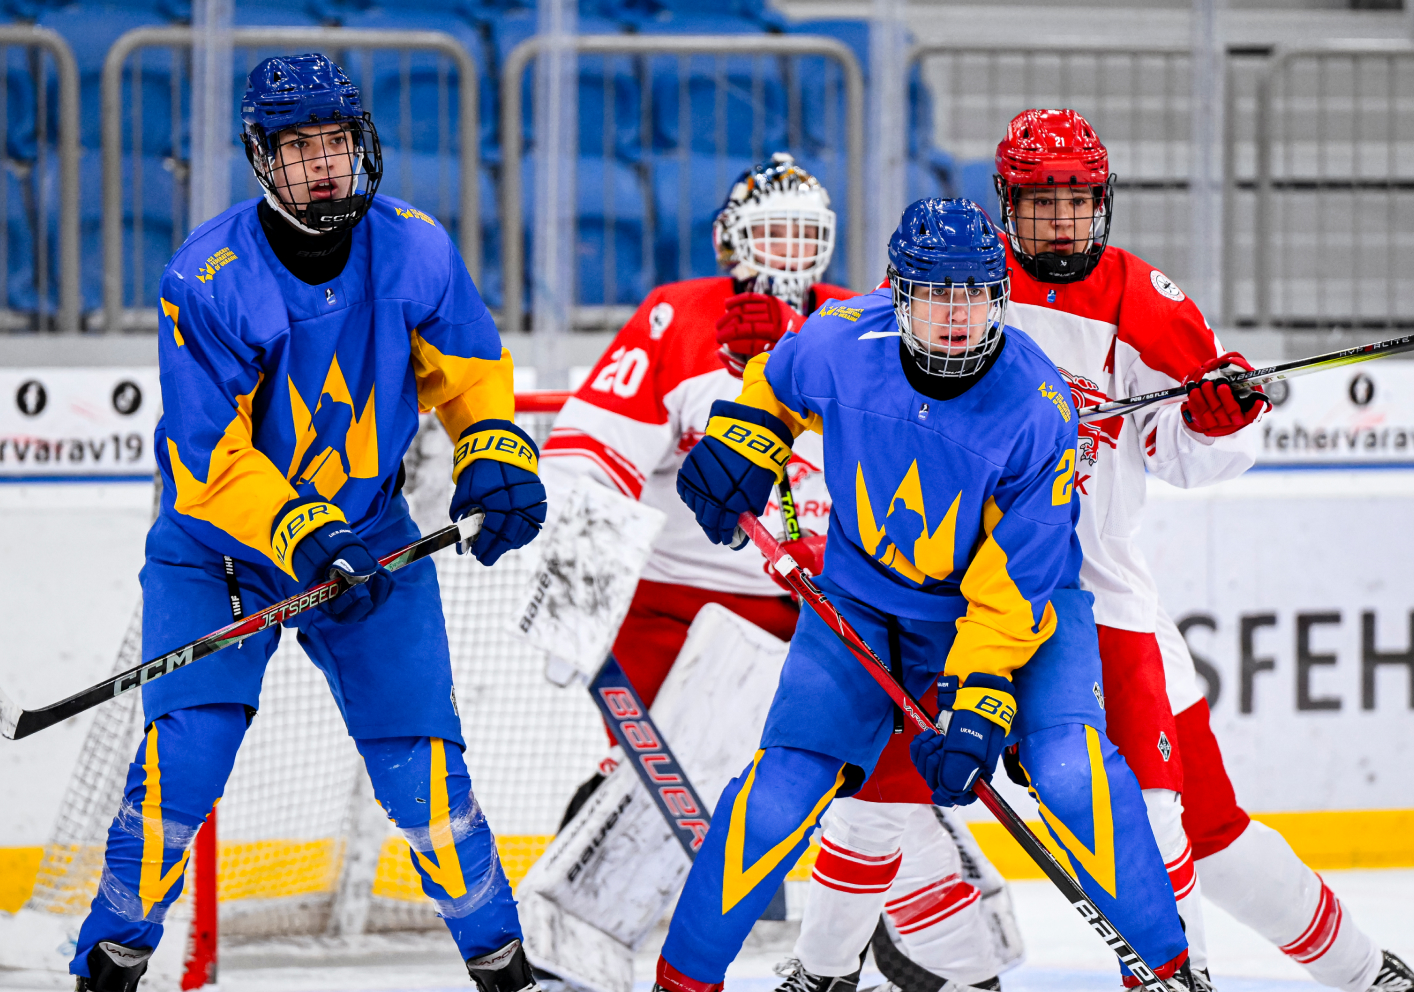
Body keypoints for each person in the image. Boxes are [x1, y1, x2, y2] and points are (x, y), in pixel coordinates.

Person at [67, 54, 548, 992]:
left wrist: (494, 452)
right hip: (221, 554)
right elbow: (207, 458)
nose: (322, 164)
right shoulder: (207, 276)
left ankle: (505, 970)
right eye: (297, 147)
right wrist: (302, 530)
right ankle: (109, 964)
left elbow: (473, 374)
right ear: (262, 157)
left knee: (425, 773)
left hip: (372, 535)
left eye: (335, 141)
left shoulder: (417, 248)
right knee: (183, 767)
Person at [653, 197, 1200, 992]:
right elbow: (777, 383)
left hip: (1023, 614)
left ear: (998, 298)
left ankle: (1172, 971)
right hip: (865, 604)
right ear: (898, 294)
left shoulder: (1039, 406)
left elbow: (1017, 584)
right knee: (778, 792)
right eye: (936, 294)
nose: (956, 315)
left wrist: (979, 697)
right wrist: (746, 437)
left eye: (973, 295)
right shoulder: (842, 340)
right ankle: (681, 982)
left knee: (1072, 775)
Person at [992, 107, 1414, 992]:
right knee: (890, 798)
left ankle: (1361, 973)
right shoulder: (964, 286)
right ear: (1008, 204)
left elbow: (1183, 453)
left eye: (1077, 203)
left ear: (1103, 203)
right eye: (1042, 204)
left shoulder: (1141, 300)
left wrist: (1217, 420)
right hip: (965, 598)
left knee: (1207, 828)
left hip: (1099, 599)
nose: (1062, 223)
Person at [539, 153, 853, 816]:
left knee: (851, 794)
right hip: (670, 607)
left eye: (804, 233)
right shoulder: (675, 317)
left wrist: (796, 350)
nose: (790, 251)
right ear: (730, 240)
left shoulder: (859, 324)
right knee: (639, 797)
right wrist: (576, 604)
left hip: (815, 612)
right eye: (772, 232)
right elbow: (590, 456)